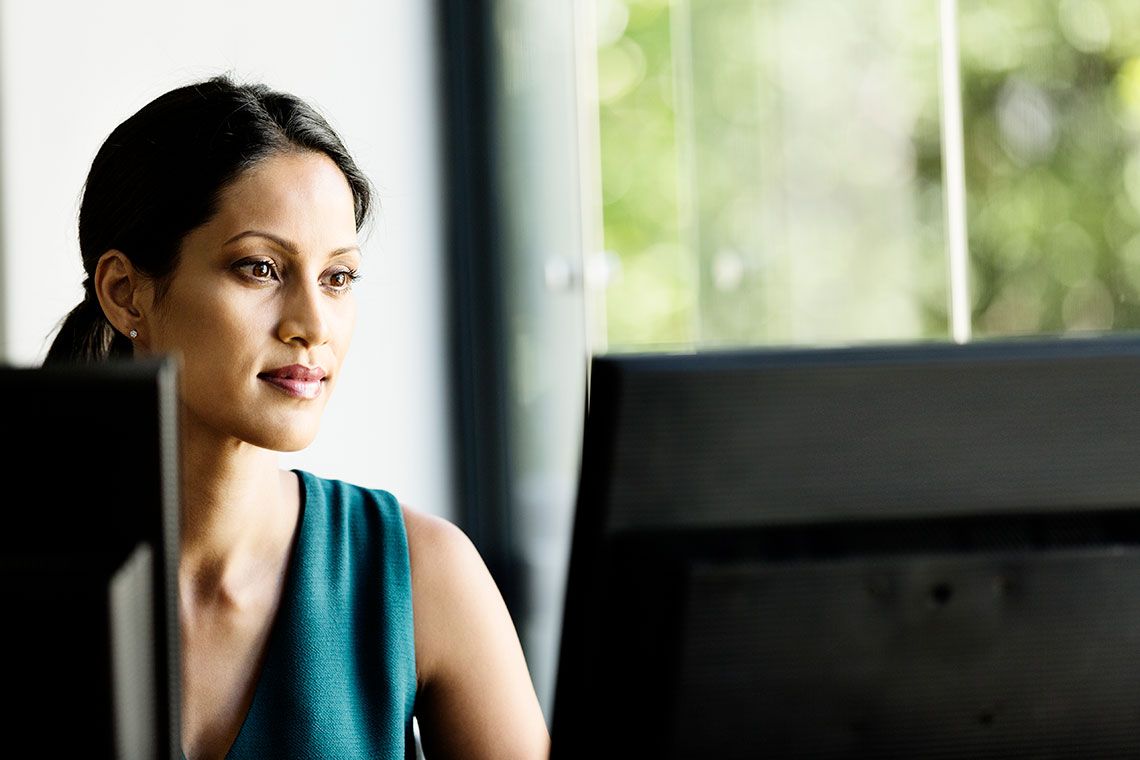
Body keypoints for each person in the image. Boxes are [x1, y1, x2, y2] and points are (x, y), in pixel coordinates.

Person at [44, 75, 550, 760]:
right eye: (259, 268)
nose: (314, 324)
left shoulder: (423, 577)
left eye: (338, 278)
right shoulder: (23, 573)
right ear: (125, 292)